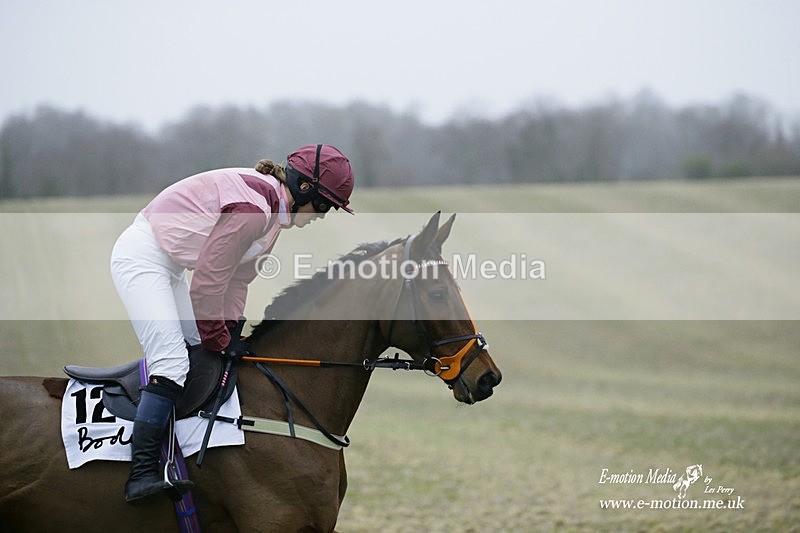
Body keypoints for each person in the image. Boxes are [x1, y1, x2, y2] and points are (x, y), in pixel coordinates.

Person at [110, 144, 354, 503]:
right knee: (173, 362)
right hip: (143, 257)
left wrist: (232, 330)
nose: (324, 214)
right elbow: (209, 279)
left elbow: (237, 280)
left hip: (172, 266)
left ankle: (180, 450)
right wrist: (217, 337)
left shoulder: (272, 219)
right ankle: (141, 472)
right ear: (304, 188)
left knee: (203, 350)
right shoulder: (254, 210)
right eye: (325, 204)